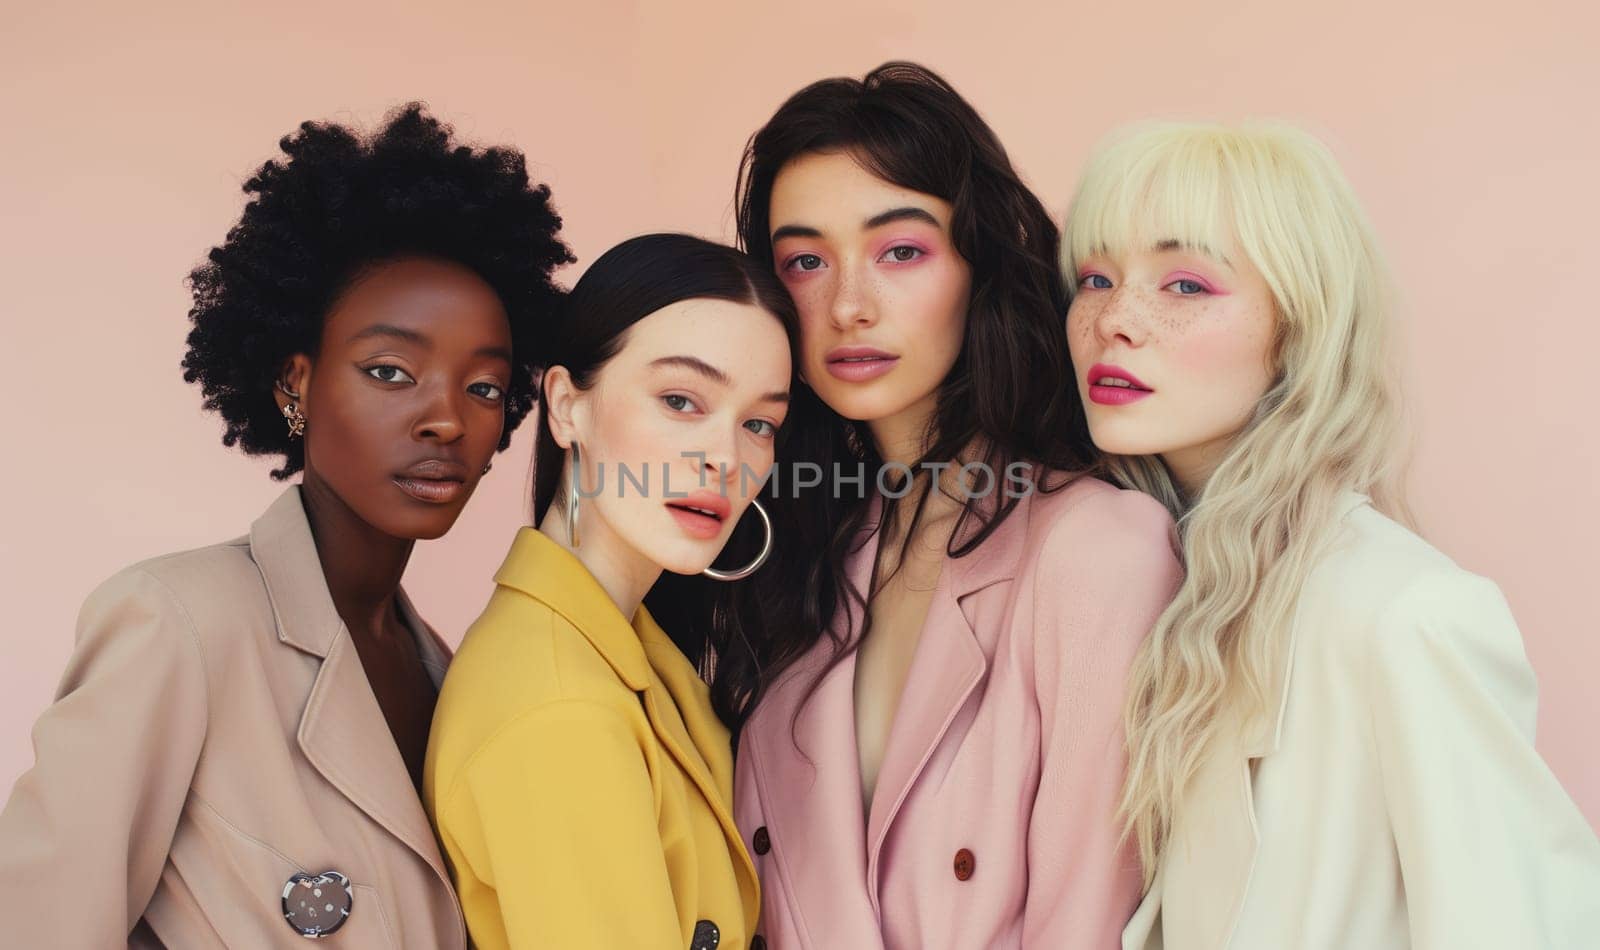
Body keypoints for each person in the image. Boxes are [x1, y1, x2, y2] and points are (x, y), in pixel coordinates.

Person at [0, 103, 571, 947]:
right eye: (390, 371)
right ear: (293, 383)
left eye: (484, 387)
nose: (447, 419)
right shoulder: (180, 624)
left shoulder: (456, 675)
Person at [1061, 120, 1600, 949]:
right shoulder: (1152, 590)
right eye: (1095, 277)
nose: (1115, 321)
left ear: (1300, 331)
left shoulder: (1404, 613)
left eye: (1186, 285)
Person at [719, 63, 1182, 948]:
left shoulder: (1096, 551)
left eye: (901, 251)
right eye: (806, 261)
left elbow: (1089, 918)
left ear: (981, 262)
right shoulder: (800, 560)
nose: (850, 306)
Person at [424, 233, 796, 950]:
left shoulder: (628, 651)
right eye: (682, 400)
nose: (726, 457)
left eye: (759, 423)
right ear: (567, 406)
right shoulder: (560, 705)